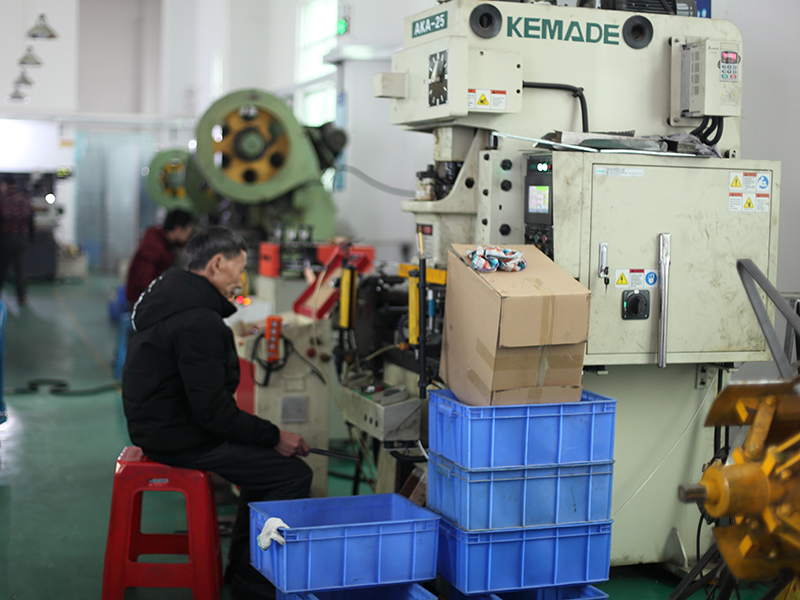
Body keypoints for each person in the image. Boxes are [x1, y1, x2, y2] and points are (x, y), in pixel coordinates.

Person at [121, 226, 311, 600]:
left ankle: (242, 569)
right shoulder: (197, 320)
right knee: (293, 474)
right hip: (178, 436)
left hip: (159, 426)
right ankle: (254, 584)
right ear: (217, 264)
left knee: (264, 469)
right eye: (239, 269)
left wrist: (266, 439)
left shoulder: (171, 298)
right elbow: (214, 414)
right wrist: (275, 436)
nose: (241, 279)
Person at [125, 209, 195, 306]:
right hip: (142, 302)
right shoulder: (153, 247)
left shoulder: (164, 241)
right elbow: (145, 282)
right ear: (178, 229)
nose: (189, 235)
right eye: (188, 230)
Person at [0, 175, 34, 306]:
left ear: (5, 185)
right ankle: (21, 297)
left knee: (1, 270)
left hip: (5, 241)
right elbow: (31, 222)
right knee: (21, 271)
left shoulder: (2, 201)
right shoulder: (25, 199)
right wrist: (30, 239)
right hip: (21, 241)